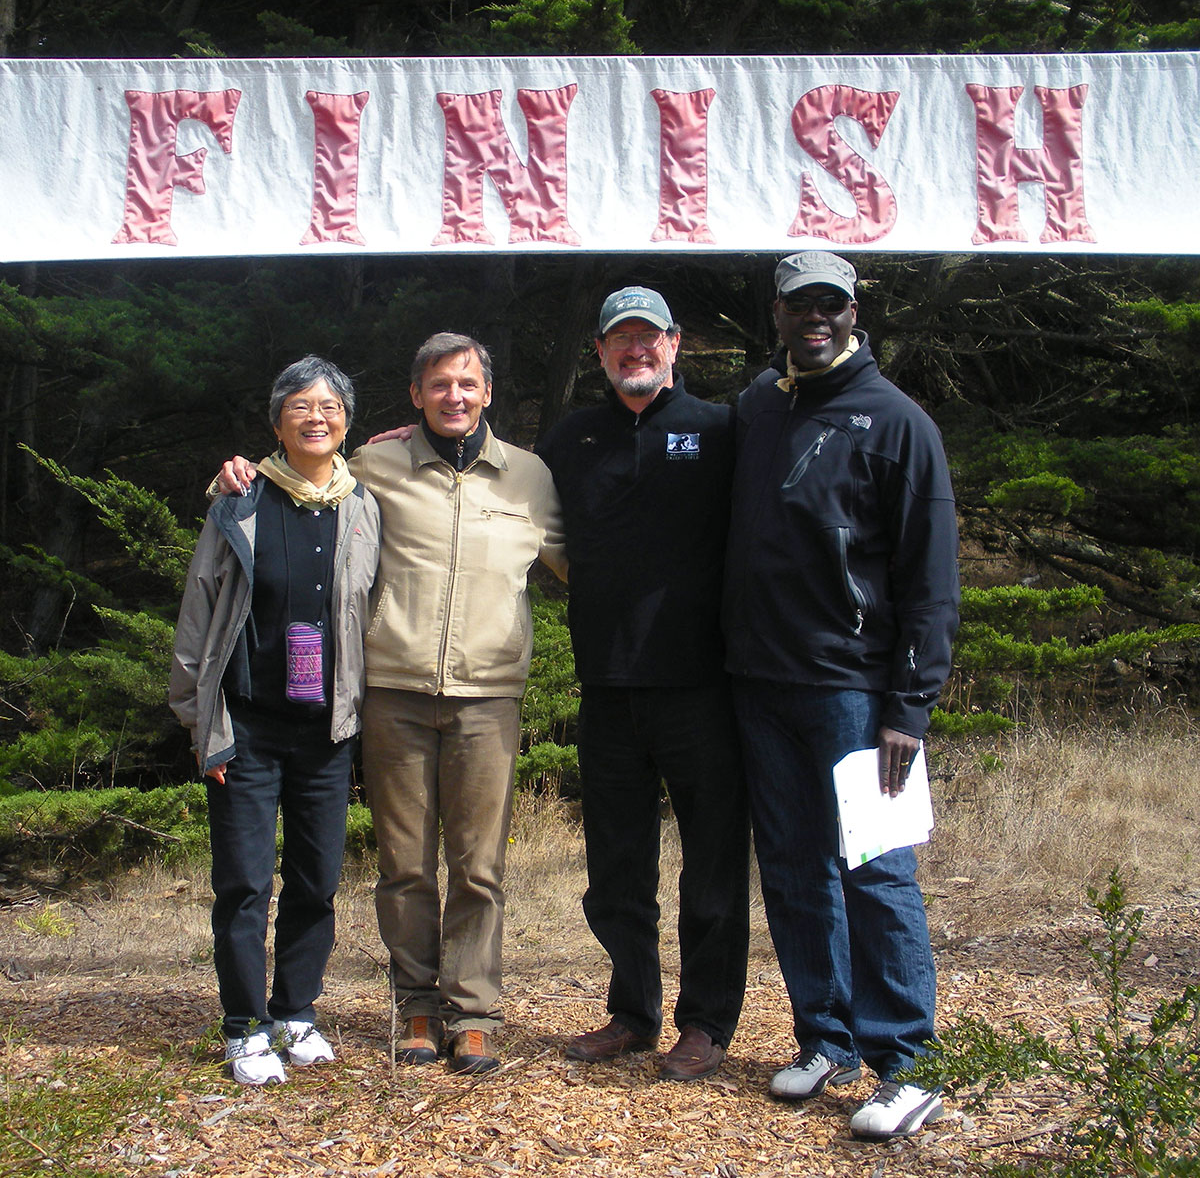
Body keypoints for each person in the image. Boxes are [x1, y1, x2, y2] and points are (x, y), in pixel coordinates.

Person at [216, 334, 567, 1075]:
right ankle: (415, 1004)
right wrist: (236, 473)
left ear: (489, 392)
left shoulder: (531, 477)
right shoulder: (374, 465)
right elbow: (300, 468)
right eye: (439, 383)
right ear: (415, 394)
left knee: (479, 868)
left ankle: (472, 1013)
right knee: (405, 868)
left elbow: (583, 563)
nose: (455, 395)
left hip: (488, 698)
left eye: (468, 383)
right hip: (393, 694)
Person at [723, 253, 960, 1138]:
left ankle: (908, 1061)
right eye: (799, 305)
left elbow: (932, 583)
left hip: (856, 692)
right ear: (777, 314)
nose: (815, 318)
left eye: (832, 304)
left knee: (876, 869)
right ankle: (826, 1035)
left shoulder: (898, 423)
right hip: (762, 681)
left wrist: (911, 707)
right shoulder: (760, 408)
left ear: (854, 311)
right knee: (792, 869)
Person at [537, 287, 750, 1081]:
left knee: (714, 867)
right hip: (609, 688)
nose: (634, 351)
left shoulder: (723, 430)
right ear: (599, 352)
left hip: (703, 686)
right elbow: (493, 482)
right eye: (618, 340)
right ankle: (632, 1011)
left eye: (648, 337)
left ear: (674, 343)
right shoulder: (573, 437)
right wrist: (399, 439)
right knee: (617, 869)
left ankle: (705, 1020)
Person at [170, 356, 380, 1086]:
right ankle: (244, 1024)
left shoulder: (363, 506)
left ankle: (296, 1010)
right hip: (247, 727)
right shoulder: (240, 500)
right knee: (244, 883)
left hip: (326, 730)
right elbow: (199, 614)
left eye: (329, 405)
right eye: (300, 405)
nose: (315, 416)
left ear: (345, 420)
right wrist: (202, 725)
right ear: (276, 421)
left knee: (317, 878)